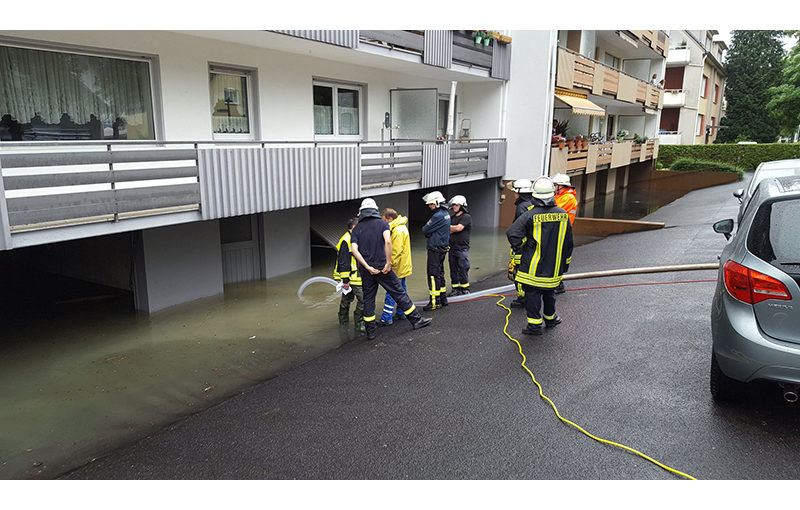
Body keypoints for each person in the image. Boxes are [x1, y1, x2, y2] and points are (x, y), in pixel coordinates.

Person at [350, 198, 431, 341]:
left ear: (361, 212)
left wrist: (367, 266)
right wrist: (388, 263)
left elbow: (354, 250)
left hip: (366, 270)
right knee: (398, 292)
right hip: (383, 266)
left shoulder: (357, 229)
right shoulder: (382, 224)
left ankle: (371, 332)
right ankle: (416, 320)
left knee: (369, 299)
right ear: (375, 210)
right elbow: (388, 242)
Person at [506, 176, 573, 336]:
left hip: (532, 266)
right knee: (549, 292)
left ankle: (534, 326)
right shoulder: (563, 215)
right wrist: (565, 265)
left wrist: (525, 244)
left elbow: (512, 233)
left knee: (532, 293)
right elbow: (568, 243)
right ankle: (550, 319)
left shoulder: (530, 215)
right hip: (553, 266)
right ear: (552, 195)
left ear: (535, 195)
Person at [378, 208, 412, 326]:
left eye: (384, 221)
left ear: (390, 219)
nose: (383, 223)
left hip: (397, 267)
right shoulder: (401, 228)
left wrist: (388, 265)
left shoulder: (397, 230)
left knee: (392, 291)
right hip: (403, 266)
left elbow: (395, 251)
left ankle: (386, 318)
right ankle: (402, 312)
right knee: (402, 289)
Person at [334, 218, 365, 335]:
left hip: (356, 276)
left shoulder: (355, 238)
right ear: (352, 228)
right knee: (363, 300)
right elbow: (343, 263)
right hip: (351, 278)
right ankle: (357, 323)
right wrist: (345, 280)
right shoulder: (346, 241)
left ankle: (344, 325)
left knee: (346, 300)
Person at [421, 191, 451, 311]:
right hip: (442, 248)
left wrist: (429, 232)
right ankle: (443, 298)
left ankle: (434, 302)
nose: (429, 206)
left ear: (437, 203)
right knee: (440, 273)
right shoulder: (446, 213)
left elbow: (424, 229)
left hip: (435, 248)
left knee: (433, 275)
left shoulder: (437, 216)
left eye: (431, 204)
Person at [507, 178, 534, 308]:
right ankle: (525, 296)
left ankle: (522, 297)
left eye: (515, 192)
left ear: (520, 192)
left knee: (518, 272)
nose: (514, 194)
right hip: (530, 246)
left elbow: (520, 228)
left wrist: (516, 245)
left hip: (521, 247)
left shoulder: (522, 207)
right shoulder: (531, 203)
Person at [552, 173, 578, 295]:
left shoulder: (568, 198)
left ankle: (558, 284)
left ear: (561, 186)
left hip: (563, 232)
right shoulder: (560, 196)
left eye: (555, 185)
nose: (553, 187)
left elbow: (554, 210)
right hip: (559, 230)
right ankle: (556, 282)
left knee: (558, 258)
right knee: (555, 257)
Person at [447, 195, 472, 296]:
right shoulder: (452, 218)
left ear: (462, 206)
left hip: (462, 248)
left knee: (463, 268)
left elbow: (458, 228)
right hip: (452, 248)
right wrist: (451, 228)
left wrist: (449, 228)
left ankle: (465, 288)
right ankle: (455, 289)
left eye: (456, 205)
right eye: (453, 205)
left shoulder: (466, 217)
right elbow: (450, 230)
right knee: (453, 269)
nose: (454, 207)